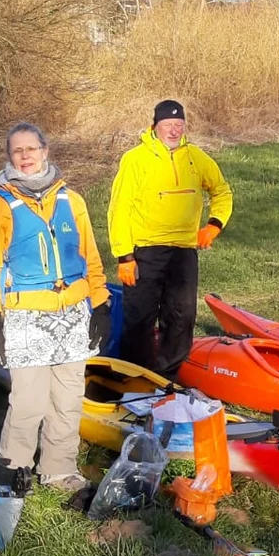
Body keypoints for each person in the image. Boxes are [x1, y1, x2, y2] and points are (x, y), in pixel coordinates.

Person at [0, 122, 111, 490]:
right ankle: (14, 471)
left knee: (68, 400)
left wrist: (101, 304)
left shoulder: (72, 201)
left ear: (45, 151)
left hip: (73, 314)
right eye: (18, 151)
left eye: (32, 149)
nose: (26, 156)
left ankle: (59, 470)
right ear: (10, 158)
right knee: (29, 402)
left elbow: (90, 257)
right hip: (26, 316)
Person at [108, 99, 233, 375]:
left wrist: (214, 224)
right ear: (155, 127)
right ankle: (134, 377)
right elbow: (120, 208)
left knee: (181, 317)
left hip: (183, 252)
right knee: (140, 319)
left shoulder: (196, 158)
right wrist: (124, 256)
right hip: (145, 251)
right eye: (168, 125)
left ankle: (168, 376)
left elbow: (221, 190)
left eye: (179, 125)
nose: (174, 131)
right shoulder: (135, 159)